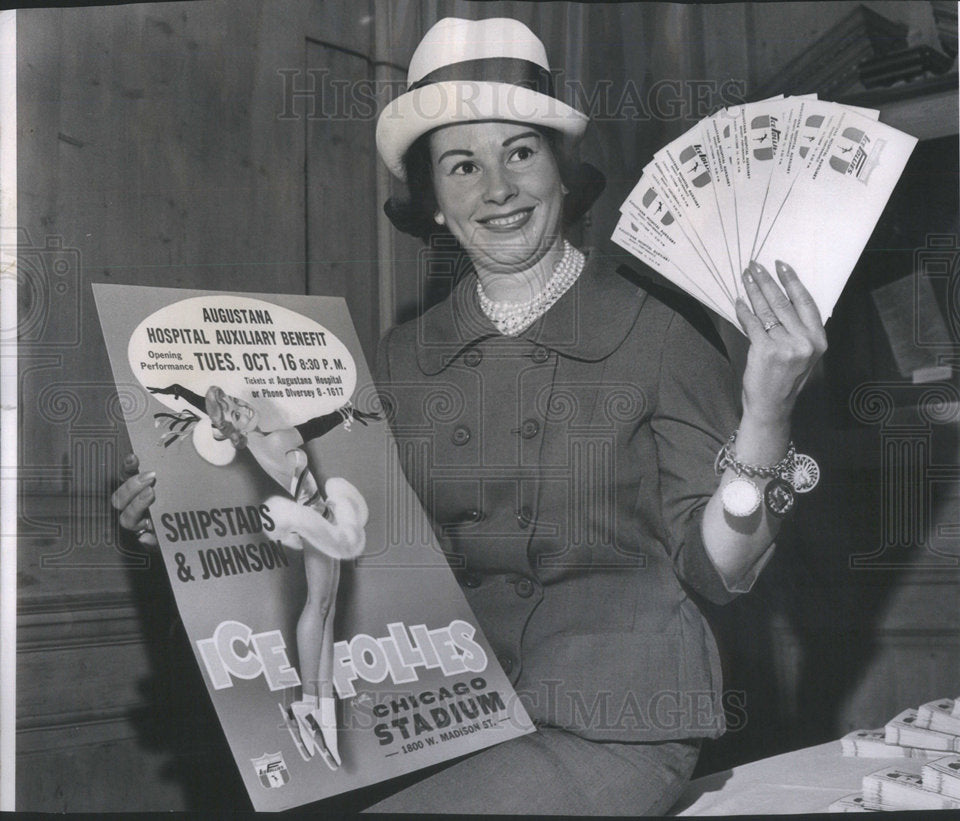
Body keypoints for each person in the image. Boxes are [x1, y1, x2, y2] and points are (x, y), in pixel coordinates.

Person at [114, 16, 827, 814]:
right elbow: (352, 547)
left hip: (616, 723)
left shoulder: (658, 333)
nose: (497, 187)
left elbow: (721, 570)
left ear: (562, 171)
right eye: (463, 165)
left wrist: (766, 414)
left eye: (520, 152)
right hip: (437, 716)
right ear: (436, 207)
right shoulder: (395, 358)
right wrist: (191, 505)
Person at [123, 382, 378, 770]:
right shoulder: (273, 440)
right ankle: (309, 705)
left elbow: (209, 410)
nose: (245, 408)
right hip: (315, 521)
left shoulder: (256, 442)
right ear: (235, 428)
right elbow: (316, 425)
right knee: (318, 605)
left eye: (241, 404)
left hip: (317, 519)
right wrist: (347, 411)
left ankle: (319, 708)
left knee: (324, 607)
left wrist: (179, 390)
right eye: (237, 412)